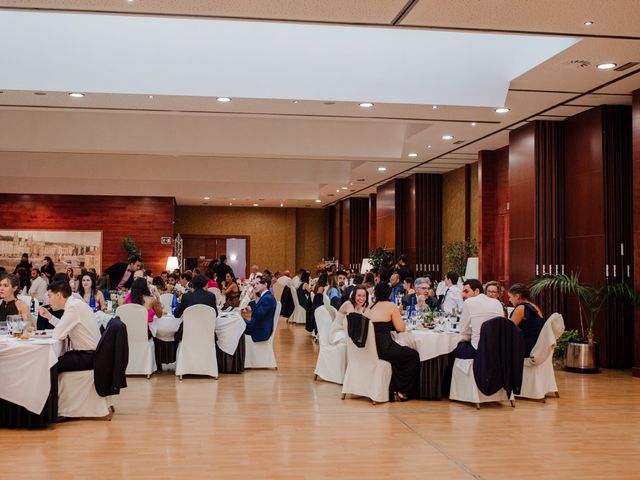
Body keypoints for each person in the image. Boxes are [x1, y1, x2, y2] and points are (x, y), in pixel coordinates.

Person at [364, 282, 420, 401]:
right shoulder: (390, 306)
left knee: (401, 354)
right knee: (412, 355)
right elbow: (401, 328)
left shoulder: (370, 306)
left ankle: (391, 387)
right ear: (389, 294)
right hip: (384, 348)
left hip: (370, 348)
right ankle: (400, 390)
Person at [46, 281, 101, 372]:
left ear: (58, 295)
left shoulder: (73, 307)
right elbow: (64, 327)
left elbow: (58, 333)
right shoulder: (75, 304)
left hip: (88, 357)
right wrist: (50, 317)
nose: (48, 301)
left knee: (49, 363)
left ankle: (54, 387)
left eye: (49, 296)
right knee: (52, 360)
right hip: (91, 354)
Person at [454, 279, 505, 359]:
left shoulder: (469, 302)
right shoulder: (497, 303)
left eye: (466, 291)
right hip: (497, 349)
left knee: (452, 348)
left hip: (478, 350)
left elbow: (463, 331)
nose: (463, 295)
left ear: (476, 291)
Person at [508, 283, 545, 357]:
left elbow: (508, 329)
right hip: (537, 345)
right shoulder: (535, 307)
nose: (509, 300)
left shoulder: (521, 308)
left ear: (517, 296)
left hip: (526, 347)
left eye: (510, 297)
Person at [242, 276, 276, 342]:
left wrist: (252, 303)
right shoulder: (266, 296)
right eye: (255, 284)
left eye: (258, 283)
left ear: (265, 285)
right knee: (239, 321)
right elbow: (259, 310)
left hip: (261, 330)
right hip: (260, 325)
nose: (255, 286)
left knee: (236, 325)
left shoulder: (267, 298)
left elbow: (258, 314)